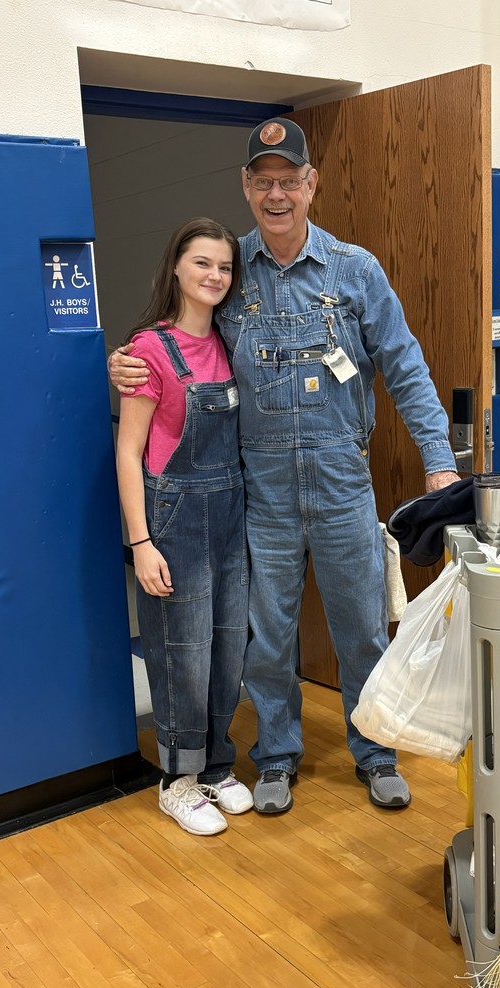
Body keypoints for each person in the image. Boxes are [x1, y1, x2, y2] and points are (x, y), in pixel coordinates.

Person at [110, 120, 459, 816]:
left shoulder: (355, 270)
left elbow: (406, 365)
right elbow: (179, 338)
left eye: (288, 180)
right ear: (246, 187)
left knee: (361, 628)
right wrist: (128, 359)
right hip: (259, 490)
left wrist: (440, 463)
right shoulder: (229, 269)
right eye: (262, 181)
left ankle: (376, 750)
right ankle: (275, 756)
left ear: (311, 184)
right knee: (267, 638)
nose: (276, 194)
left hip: (341, 483)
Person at [115, 217, 253, 836]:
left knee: (227, 648)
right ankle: (178, 779)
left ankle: (218, 764)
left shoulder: (228, 340)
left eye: (223, 266)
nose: (214, 276)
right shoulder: (149, 350)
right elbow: (129, 451)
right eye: (202, 263)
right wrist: (140, 542)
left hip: (231, 515)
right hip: (174, 517)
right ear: (176, 265)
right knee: (183, 653)